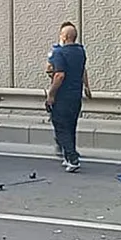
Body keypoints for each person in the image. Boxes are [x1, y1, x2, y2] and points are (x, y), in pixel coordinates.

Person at [46, 22, 92, 173]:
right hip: (76, 95)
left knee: (61, 127)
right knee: (71, 126)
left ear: (64, 37)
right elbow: (83, 70)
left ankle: (72, 158)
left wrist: (51, 95)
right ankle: (68, 155)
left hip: (63, 96)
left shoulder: (59, 53)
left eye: (61, 35)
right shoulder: (80, 51)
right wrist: (87, 87)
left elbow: (59, 75)